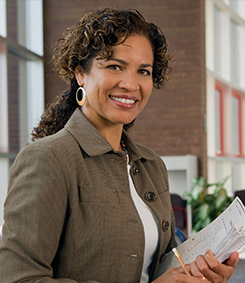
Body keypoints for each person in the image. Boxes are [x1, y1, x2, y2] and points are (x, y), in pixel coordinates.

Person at [0, 7, 239, 283]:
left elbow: (155, 268)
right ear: (81, 74)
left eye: (143, 71)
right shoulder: (48, 160)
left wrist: (199, 272)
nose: (131, 84)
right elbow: (17, 278)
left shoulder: (151, 166)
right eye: (115, 66)